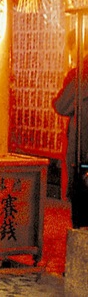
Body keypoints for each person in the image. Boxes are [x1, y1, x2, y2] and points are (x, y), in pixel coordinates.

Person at [52, 56, 88, 229]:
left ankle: (80, 244)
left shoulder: (79, 80)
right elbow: (61, 106)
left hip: (81, 153)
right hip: (81, 154)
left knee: (80, 203)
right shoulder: (79, 79)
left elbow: (61, 106)